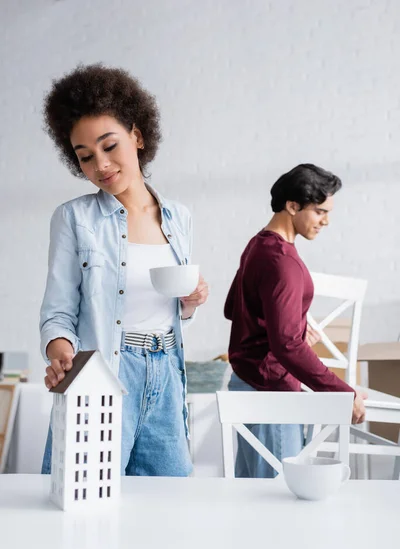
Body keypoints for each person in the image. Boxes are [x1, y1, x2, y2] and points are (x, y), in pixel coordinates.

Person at [40, 64, 208, 476]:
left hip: (167, 370)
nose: (101, 164)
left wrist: (189, 304)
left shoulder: (178, 217)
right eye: (85, 156)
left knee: (169, 507)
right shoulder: (74, 219)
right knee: (83, 496)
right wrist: (61, 353)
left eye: (109, 145)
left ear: (136, 135)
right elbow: (58, 313)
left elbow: (168, 309)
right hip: (103, 370)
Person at [224, 163, 366, 478]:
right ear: (292, 206)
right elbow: (287, 345)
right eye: (319, 211)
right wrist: (344, 392)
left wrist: (292, 327)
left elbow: (233, 308)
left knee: (252, 500)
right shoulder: (283, 261)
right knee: (279, 505)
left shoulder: (257, 245)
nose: (326, 221)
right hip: (270, 392)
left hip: (247, 384)